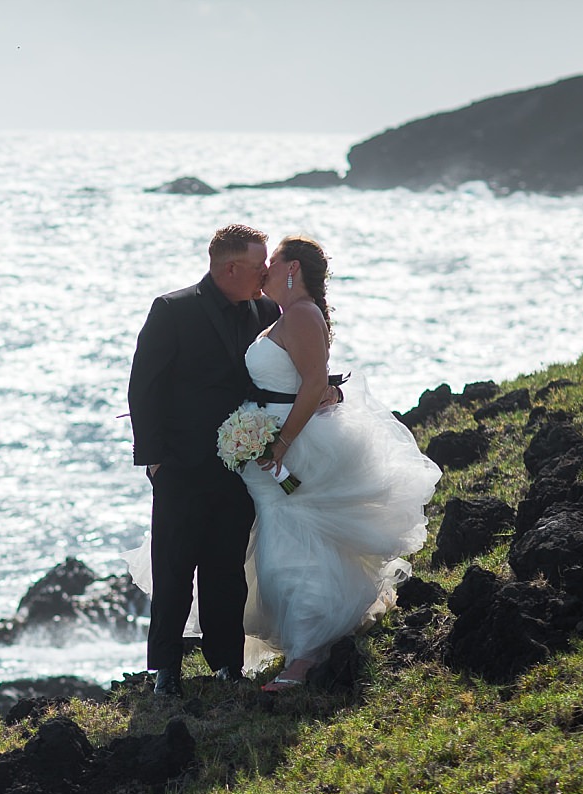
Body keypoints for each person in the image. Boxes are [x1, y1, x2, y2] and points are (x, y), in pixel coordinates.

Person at [238, 236, 441, 690]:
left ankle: (305, 657)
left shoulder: (304, 315)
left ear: (292, 268)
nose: (265, 270)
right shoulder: (288, 316)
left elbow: (313, 385)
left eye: (272, 262)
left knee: (293, 551)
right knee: (283, 545)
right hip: (272, 444)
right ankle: (304, 644)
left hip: (294, 446)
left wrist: (282, 443)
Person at [125, 224, 280, 698]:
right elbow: (143, 386)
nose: (267, 272)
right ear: (230, 267)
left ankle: (227, 664)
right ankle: (165, 669)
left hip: (240, 466)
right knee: (173, 566)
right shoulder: (172, 309)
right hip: (180, 464)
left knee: (227, 568)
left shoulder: (268, 310)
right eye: (259, 265)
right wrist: (154, 461)